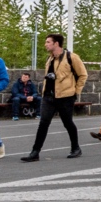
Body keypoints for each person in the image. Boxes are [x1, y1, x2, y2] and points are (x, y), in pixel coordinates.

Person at [19, 33, 87, 162]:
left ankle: (76, 148)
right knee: (43, 123)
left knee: (68, 123)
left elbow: (83, 75)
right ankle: (35, 152)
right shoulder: (49, 59)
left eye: (48, 42)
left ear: (56, 43)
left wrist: (75, 92)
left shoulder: (71, 57)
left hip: (65, 96)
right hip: (49, 97)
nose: (46, 44)